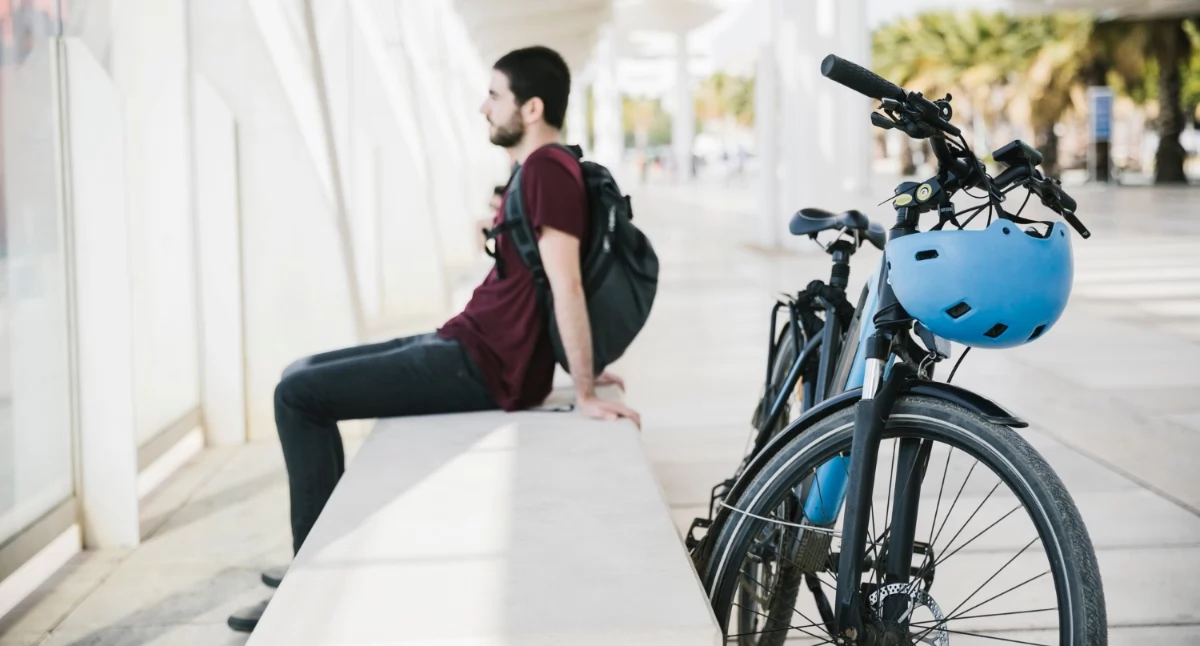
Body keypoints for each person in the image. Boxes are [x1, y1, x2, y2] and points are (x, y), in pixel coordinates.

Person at [226, 45, 640, 633]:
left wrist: (585, 386)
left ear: (531, 108)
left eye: (495, 95)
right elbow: (537, 279)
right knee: (299, 372)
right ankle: (314, 553)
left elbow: (566, 284)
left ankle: (308, 583)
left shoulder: (547, 170)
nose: (482, 107)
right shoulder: (536, 170)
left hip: (482, 365)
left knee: (298, 397)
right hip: (468, 343)